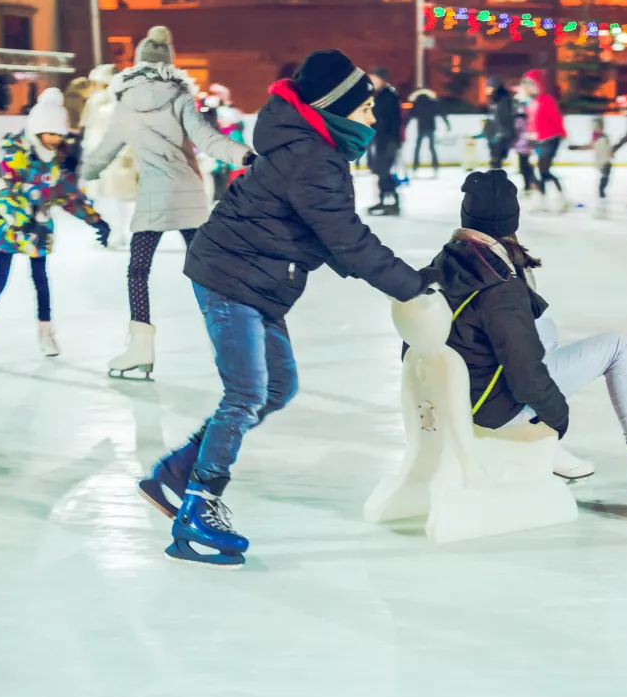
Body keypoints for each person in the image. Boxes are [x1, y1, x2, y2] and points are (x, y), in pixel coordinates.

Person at [141, 50, 438, 568]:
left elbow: (331, 235)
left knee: (278, 388)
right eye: (365, 108)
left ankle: (175, 474)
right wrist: (411, 286)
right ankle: (200, 503)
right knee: (248, 392)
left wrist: (410, 279)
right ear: (336, 108)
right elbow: (345, 239)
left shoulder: (312, 148)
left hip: (255, 277)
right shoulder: (314, 158)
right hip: (233, 276)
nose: (372, 117)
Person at [419, 170, 627, 516]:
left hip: (454, 396)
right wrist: (555, 420)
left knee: (544, 327)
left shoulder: (448, 259)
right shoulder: (500, 285)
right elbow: (525, 374)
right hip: (492, 408)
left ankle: (546, 448)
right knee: (617, 347)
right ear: (511, 219)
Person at [81, 26, 252, 379]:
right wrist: (244, 155)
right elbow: (208, 140)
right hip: (189, 197)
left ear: (139, 63)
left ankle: (140, 345)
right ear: (168, 64)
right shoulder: (180, 97)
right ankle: (228, 342)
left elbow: (104, 152)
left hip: (154, 199)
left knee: (138, 271)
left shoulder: (125, 104)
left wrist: (82, 172)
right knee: (205, 270)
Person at [0, 88, 110, 363]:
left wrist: (96, 219)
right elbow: (3, 195)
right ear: (37, 130)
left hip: (39, 228)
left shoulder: (55, 160)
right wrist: (26, 220)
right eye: (51, 133)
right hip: (9, 227)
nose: (56, 139)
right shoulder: (12, 153)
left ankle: (46, 333)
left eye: (59, 134)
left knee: (40, 280)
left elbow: (68, 195)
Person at [80, 64, 138, 250]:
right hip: (103, 158)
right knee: (108, 197)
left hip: (115, 158)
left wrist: (126, 154)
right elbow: (91, 131)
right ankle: (115, 232)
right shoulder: (98, 104)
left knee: (120, 198)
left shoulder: (116, 105)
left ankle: (121, 233)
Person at [522, 69, 567, 211]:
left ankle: (559, 196)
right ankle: (543, 200)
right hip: (537, 140)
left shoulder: (546, 100)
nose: (526, 87)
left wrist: (561, 134)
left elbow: (556, 119)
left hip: (551, 138)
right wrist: (529, 136)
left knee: (544, 170)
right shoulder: (532, 102)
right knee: (540, 171)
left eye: (529, 84)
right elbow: (532, 122)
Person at [367, 68, 404, 216]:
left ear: (381, 79)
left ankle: (392, 201)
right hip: (379, 139)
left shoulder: (389, 95)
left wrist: (394, 140)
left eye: (374, 79)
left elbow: (394, 120)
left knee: (384, 170)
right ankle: (383, 200)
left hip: (389, 140)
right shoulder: (376, 95)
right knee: (379, 170)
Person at [568, 116, 613, 218]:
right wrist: (576, 148)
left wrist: (608, 158)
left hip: (606, 164)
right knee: (601, 187)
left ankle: (603, 206)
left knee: (601, 187)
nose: (594, 128)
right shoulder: (596, 137)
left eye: (596, 126)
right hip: (602, 164)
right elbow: (590, 146)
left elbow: (608, 151)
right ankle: (602, 205)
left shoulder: (603, 137)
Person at [407, 87, 451, 176]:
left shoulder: (417, 104)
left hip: (421, 128)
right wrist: (447, 124)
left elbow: (410, 116)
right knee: (432, 148)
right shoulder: (432, 103)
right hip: (431, 128)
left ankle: (415, 167)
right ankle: (435, 167)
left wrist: (404, 125)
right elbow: (441, 113)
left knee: (417, 149)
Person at [484, 76, 516, 169]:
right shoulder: (494, 100)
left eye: (489, 87)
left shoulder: (504, 101)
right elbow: (492, 118)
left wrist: (500, 133)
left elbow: (504, 118)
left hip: (501, 134)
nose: (487, 90)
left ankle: (496, 179)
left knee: (496, 160)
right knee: (495, 160)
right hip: (494, 134)